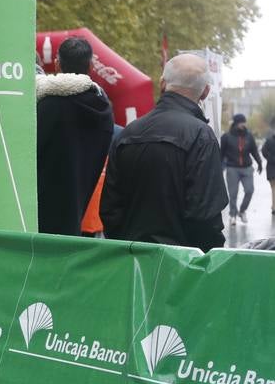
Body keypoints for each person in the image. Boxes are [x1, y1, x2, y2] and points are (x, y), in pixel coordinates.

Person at [100, 53, 227, 252]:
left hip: (132, 259)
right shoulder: (201, 136)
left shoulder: (128, 134)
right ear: (205, 92)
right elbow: (206, 215)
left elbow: (110, 208)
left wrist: (127, 246)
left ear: (162, 83)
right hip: (182, 265)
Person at [35, 36, 114, 235]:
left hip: (40, 217)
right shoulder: (102, 109)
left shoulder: (45, 106)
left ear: (57, 63)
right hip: (80, 212)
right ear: (90, 66)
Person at [219, 113, 263, 225]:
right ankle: (233, 215)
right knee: (233, 193)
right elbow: (221, 154)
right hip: (232, 168)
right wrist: (218, 168)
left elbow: (254, 151)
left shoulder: (249, 136)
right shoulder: (227, 137)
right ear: (236, 123)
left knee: (250, 190)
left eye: (244, 122)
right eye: (241, 122)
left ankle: (242, 211)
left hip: (247, 168)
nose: (244, 124)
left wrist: (259, 163)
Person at [263, 115, 275, 218]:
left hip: (271, 168)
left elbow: (264, 151)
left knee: (273, 188)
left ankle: (274, 206)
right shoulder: (269, 140)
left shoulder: (269, 140)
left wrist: (270, 158)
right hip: (271, 168)